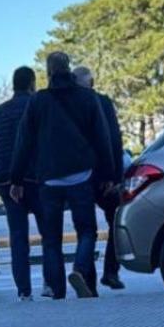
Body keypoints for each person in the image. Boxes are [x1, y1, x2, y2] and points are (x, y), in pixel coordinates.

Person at [9, 52, 115, 299]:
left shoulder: (38, 101)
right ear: (69, 69)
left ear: (48, 73)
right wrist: (108, 173)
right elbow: (102, 137)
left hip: (49, 178)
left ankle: (58, 291)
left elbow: (23, 142)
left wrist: (16, 179)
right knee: (87, 230)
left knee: (51, 239)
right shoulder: (87, 98)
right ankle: (80, 268)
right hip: (81, 174)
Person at [0, 66, 38, 301]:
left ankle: (24, 290)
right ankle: (53, 284)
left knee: (17, 234)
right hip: (34, 177)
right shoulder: (36, 107)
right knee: (48, 230)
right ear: (32, 84)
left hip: (4, 179)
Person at [73, 66, 126, 291]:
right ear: (92, 82)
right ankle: (111, 271)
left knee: (86, 230)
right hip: (103, 175)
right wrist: (113, 175)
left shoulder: (69, 105)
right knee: (116, 219)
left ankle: (89, 282)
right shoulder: (102, 102)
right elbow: (113, 138)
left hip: (79, 176)